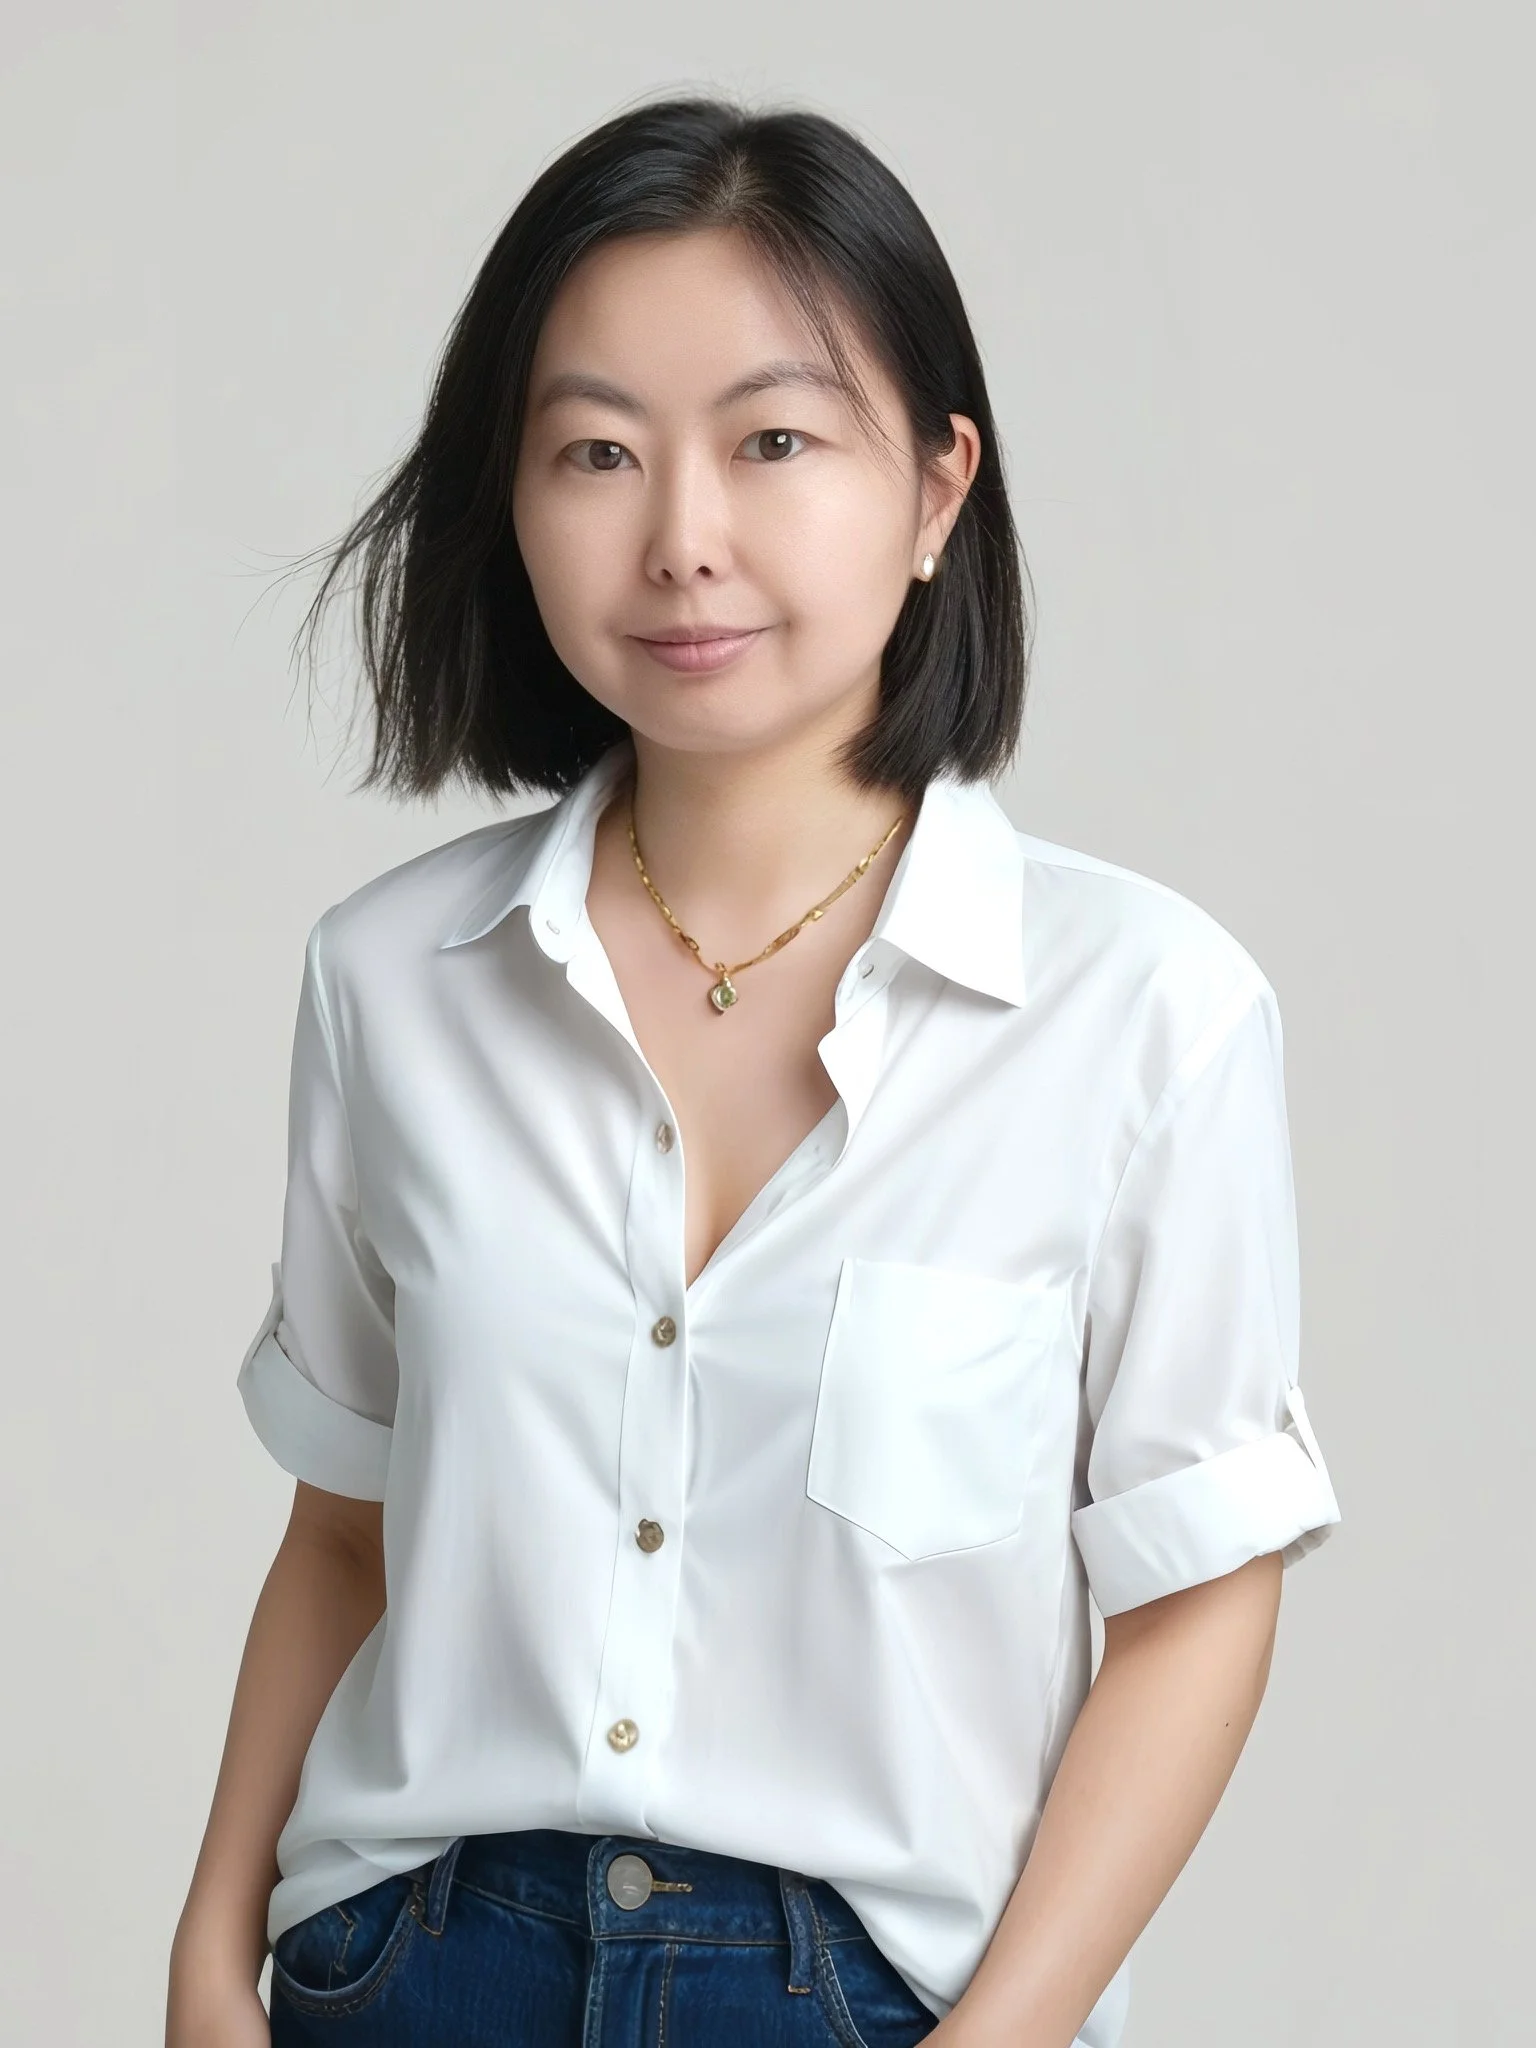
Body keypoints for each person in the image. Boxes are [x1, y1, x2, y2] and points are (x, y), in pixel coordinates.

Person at [166, 92, 1343, 2048]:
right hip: (413, 1969)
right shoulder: (392, 977)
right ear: (514, 498)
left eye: (775, 441)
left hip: (873, 1996)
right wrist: (213, 1959)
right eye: (596, 453)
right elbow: (347, 1527)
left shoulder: (1147, 1011)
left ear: (940, 489)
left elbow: (1198, 1599)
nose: (681, 536)